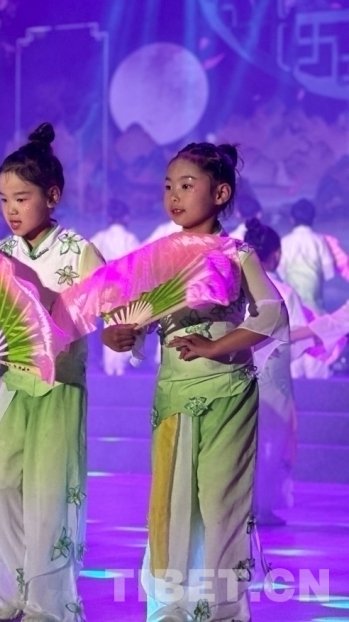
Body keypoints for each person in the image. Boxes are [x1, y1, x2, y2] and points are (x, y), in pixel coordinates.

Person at [103, 142, 287, 622]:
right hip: (173, 396)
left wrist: (215, 346)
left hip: (229, 394)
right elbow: (127, 321)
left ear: (220, 193)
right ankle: (171, 605)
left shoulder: (237, 255)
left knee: (222, 504)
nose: (174, 196)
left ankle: (221, 609)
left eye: (187, 185)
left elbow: (272, 314)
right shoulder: (156, 258)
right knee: (172, 501)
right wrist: (118, 335)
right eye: (168, 186)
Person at [0, 123, 104, 622]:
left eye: (21, 198)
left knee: (49, 495)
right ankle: (10, 595)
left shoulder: (78, 251)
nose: (11, 209)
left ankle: (49, 601)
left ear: (52, 196)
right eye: (4, 199)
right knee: (3, 489)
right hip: (12, 387)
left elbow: (100, 309)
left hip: (58, 388)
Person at [243, 219, 303, 526]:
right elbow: (295, 332)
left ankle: (241, 506)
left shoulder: (237, 290)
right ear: (276, 254)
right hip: (273, 376)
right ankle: (262, 507)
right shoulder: (284, 291)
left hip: (241, 372)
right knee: (271, 443)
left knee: (243, 441)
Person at [90, 199, 140, 376]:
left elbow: (89, 260)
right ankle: (119, 365)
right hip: (124, 287)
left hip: (105, 287)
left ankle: (109, 365)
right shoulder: (129, 238)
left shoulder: (100, 237)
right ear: (126, 217)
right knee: (123, 324)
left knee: (109, 323)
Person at [277, 199, 334, 315]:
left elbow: (281, 272)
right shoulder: (319, 240)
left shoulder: (285, 241)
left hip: (292, 302)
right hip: (315, 301)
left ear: (291, 219)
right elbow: (329, 273)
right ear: (314, 219)